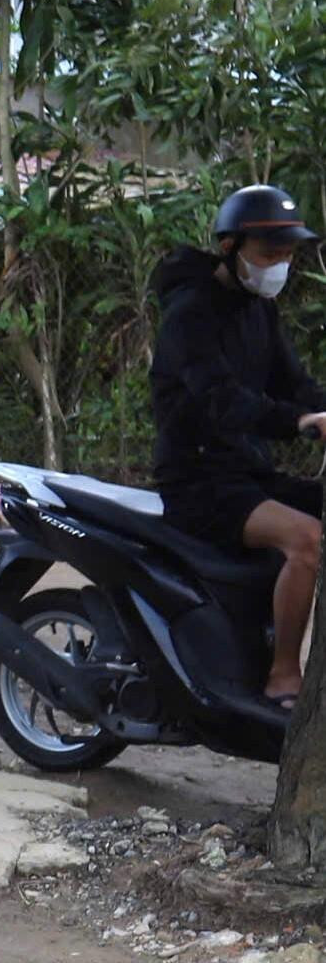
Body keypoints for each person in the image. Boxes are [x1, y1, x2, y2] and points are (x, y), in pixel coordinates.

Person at [152, 183, 326, 709]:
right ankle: (281, 678)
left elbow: (293, 383)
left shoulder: (258, 308)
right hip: (199, 483)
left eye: (288, 255)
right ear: (231, 247)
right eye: (270, 253)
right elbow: (222, 401)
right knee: (306, 540)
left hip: (247, 475)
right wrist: (299, 422)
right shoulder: (190, 313)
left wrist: (317, 406)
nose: (280, 265)